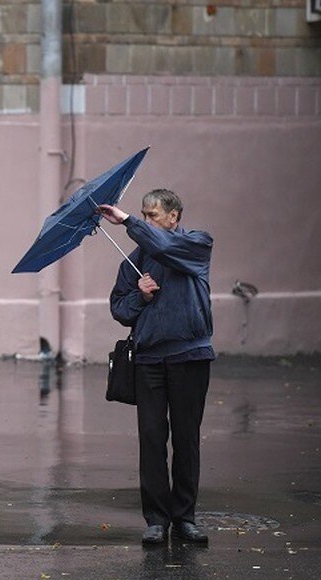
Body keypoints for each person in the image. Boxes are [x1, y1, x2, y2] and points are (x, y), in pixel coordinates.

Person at [99, 189, 214, 546]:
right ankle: (156, 520)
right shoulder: (133, 261)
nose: (146, 220)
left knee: (186, 439)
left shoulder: (196, 245)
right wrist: (141, 296)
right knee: (151, 440)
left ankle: (185, 518)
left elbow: (166, 249)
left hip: (189, 355)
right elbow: (119, 309)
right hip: (148, 359)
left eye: (152, 215)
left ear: (174, 217)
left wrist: (128, 223)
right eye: (143, 215)